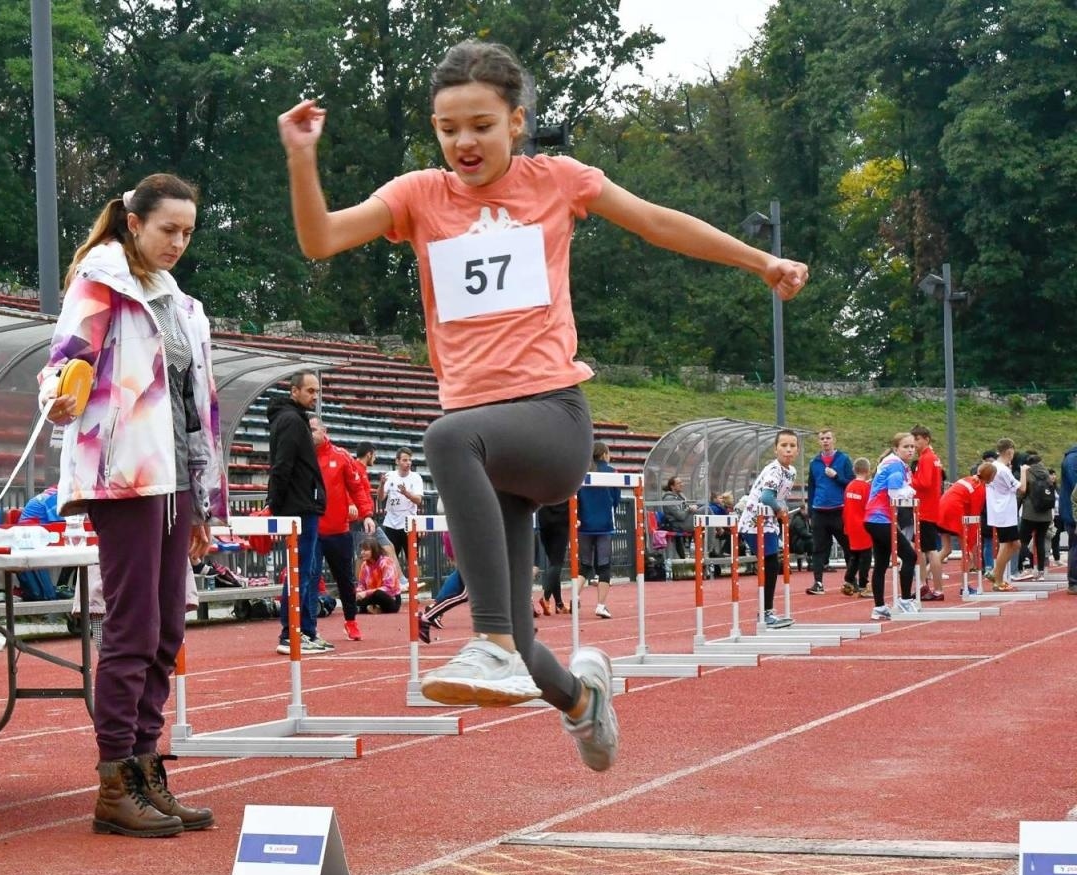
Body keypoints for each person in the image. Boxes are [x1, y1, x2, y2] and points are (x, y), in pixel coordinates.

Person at [279, 39, 808, 771]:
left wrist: (764, 262)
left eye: (481, 126)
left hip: (551, 421)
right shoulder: (417, 196)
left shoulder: (557, 181)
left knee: (444, 441)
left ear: (517, 122)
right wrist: (303, 158)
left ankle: (489, 643)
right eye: (447, 128)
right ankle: (582, 700)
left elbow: (657, 220)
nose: (464, 142)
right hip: (489, 443)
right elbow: (320, 238)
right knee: (522, 635)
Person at [42, 174, 225, 839]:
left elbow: (196, 407)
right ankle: (114, 779)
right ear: (132, 221)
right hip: (123, 474)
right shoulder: (101, 283)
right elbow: (64, 358)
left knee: (168, 628)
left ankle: (148, 769)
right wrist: (59, 394)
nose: (178, 242)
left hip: (174, 479)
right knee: (134, 625)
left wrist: (204, 502)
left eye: (187, 233)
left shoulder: (181, 304)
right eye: (167, 229)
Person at [265, 370, 330, 654]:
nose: (314, 397)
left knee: (309, 570)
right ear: (294, 391)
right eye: (310, 391)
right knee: (299, 571)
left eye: (317, 392)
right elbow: (283, 465)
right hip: (298, 507)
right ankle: (290, 633)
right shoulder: (291, 421)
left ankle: (306, 630)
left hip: (305, 504)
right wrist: (274, 504)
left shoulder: (295, 420)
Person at [309, 416, 375, 640]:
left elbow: (357, 487)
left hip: (338, 530)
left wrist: (366, 514)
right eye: (307, 430)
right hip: (313, 531)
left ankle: (351, 621)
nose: (311, 434)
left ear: (324, 431)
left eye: (314, 429)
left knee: (345, 579)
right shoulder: (303, 457)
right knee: (311, 578)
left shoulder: (341, 456)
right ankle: (310, 627)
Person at [738, 429, 799, 629]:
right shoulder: (774, 470)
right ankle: (765, 612)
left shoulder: (791, 471)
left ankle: (767, 611)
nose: (788, 450)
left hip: (769, 521)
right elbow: (766, 497)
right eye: (784, 446)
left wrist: (782, 509)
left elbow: (778, 497)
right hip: (755, 521)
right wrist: (780, 510)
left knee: (773, 563)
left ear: (797, 450)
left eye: (792, 446)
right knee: (771, 564)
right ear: (775, 449)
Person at [864, 432, 919, 619]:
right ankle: (904, 600)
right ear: (896, 449)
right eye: (906, 446)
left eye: (912, 446)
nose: (910, 450)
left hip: (875, 517)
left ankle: (879, 607)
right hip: (880, 518)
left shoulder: (893, 463)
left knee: (880, 563)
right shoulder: (895, 465)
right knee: (910, 556)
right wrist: (910, 492)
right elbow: (895, 493)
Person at [804, 427, 854, 595]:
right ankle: (818, 583)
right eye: (822, 438)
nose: (825, 441)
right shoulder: (814, 463)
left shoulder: (844, 459)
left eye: (828, 438)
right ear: (819, 441)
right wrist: (810, 511)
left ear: (834, 440)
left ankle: (850, 580)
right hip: (819, 511)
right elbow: (811, 487)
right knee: (818, 548)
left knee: (848, 546)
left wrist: (836, 476)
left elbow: (851, 483)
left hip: (839, 510)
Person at [575, 441, 619, 619]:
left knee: (584, 564)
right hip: (604, 524)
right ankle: (601, 605)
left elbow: (576, 496)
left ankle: (575, 596)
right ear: (604, 454)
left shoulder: (581, 472)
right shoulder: (611, 472)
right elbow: (616, 498)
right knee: (604, 564)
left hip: (584, 523)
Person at [938, 462, 993, 596]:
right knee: (966, 551)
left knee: (946, 549)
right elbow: (974, 516)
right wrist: (971, 543)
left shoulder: (967, 479)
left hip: (941, 509)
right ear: (991, 478)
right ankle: (964, 587)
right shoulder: (979, 488)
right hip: (954, 512)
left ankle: (925, 576)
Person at [910, 425, 946, 601]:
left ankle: (937, 589)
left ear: (926, 439)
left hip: (926, 509)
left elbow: (924, 483)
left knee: (930, 550)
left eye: (916, 440)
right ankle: (923, 585)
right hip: (928, 508)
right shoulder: (931, 457)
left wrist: (909, 479)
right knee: (922, 549)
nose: (913, 444)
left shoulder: (926, 458)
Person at [985, 438, 1021, 591]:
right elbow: (1022, 488)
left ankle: (996, 574)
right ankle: (997, 579)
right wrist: (1024, 472)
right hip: (1004, 511)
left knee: (1014, 544)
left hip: (999, 510)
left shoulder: (993, 467)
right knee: (1007, 545)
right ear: (1010, 451)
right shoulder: (1002, 469)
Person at [378, 447, 424, 565]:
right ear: (397, 461)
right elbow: (380, 497)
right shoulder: (390, 476)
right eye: (404, 460)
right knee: (389, 560)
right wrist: (382, 485)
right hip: (391, 523)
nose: (408, 463)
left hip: (409, 524)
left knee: (413, 560)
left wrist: (406, 493)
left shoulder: (416, 477)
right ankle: (392, 583)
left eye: (409, 460)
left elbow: (418, 500)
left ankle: (414, 583)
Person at [1016, 449, 1055, 580]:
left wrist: (1016, 508)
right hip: (1046, 514)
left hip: (1030, 513)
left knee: (1023, 541)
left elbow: (1021, 492)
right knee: (1040, 541)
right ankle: (1041, 572)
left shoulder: (1027, 473)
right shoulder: (1047, 475)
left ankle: (1027, 567)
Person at [842, 457, 873, 597]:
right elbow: (869, 507)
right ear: (868, 471)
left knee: (854, 555)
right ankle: (862, 584)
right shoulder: (866, 488)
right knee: (865, 557)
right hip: (863, 526)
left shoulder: (849, 486)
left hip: (850, 524)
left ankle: (848, 580)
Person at [536, 499, 571, 615]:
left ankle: (559, 604)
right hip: (561, 521)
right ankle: (545, 598)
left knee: (553, 563)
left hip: (544, 521)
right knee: (557, 563)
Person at [356, 537, 403, 613]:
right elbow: (361, 584)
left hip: (391, 598)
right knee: (349, 594)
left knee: (378, 594)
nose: (362, 552)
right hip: (371, 597)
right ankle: (371, 608)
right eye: (362, 550)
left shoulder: (386, 562)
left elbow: (388, 587)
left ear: (374, 550)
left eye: (366, 550)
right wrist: (358, 592)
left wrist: (365, 593)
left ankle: (363, 608)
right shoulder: (364, 565)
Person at [658, 476, 693, 559]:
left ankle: (708, 550)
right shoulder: (669, 499)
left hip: (684, 522)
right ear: (672, 486)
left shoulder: (681, 496)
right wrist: (689, 509)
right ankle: (709, 550)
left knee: (704, 511)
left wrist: (693, 507)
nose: (682, 485)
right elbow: (680, 516)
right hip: (678, 524)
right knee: (705, 514)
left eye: (682, 482)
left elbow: (688, 506)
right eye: (679, 483)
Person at [1061, 442, 1077, 594]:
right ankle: (1074, 583)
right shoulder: (1073, 459)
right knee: (1075, 545)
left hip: (1071, 508)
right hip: (1073, 511)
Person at [788, 501, 813, 573]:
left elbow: (809, 531)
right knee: (812, 542)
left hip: (800, 541)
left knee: (812, 540)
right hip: (796, 543)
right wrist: (814, 536)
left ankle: (811, 562)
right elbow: (803, 533)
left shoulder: (804, 518)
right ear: (802, 510)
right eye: (807, 509)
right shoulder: (798, 520)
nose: (808, 511)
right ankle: (811, 562)